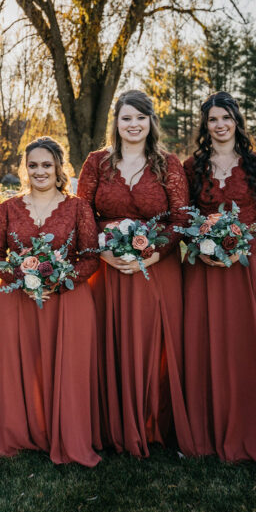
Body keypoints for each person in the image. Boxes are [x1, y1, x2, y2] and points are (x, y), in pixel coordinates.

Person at [182, 92, 256, 468]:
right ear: (205, 125)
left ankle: (252, 430)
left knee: (247, 346)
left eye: (226, 118)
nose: (219, 125)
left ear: (237, 121)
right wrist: (199, 245)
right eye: (212, 119)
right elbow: (184, 218)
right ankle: (204, 432)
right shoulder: (192, 166)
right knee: (204, 345)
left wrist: (241, 249)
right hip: (203, 270)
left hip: (247, 267)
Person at [76, 90, 193, 456]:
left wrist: (155, 255)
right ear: (116, 123)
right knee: (110, 340)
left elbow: (180, 220)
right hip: (108, 270)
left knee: (154, 342)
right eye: (126, 118)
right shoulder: (97, 163)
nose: (133, 125)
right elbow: (82, 215)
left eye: (140, 117)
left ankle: (154, 425)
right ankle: (112, 425)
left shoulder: (168, 164)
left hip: (157, 269)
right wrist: (105, 254)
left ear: (151, 122)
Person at [0, 137, 101, 466]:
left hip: (67, 302)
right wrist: (22, 280)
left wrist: (61, 281)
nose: (39, 171)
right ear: (25, 169)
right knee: (17, 365)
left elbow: (91, 257)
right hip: (17, 300)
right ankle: (19, 432)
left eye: (46, 165)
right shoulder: (8, 209)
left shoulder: (78, 207)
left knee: (66, 368)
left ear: (59, 168)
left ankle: (64, 431)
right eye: (33, 165)